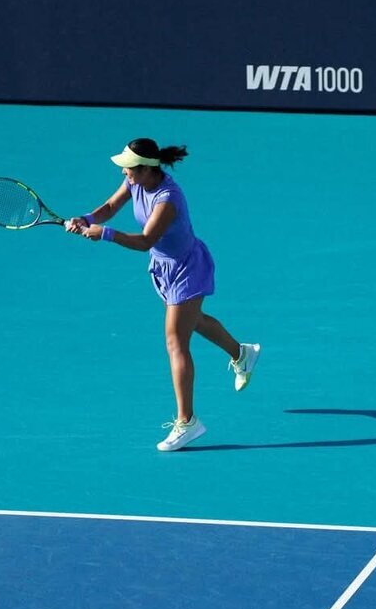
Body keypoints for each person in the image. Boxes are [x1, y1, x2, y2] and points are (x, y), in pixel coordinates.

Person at [66, 138, 260, 451]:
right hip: (163, 267)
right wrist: (87, 219)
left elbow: (146, 240)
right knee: (194, 321)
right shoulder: (134, 182)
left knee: (175, 339)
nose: (124, 172)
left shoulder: (168, 199)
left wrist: (105, 234)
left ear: (147, 169)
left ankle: (187, 421)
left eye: (129, 168)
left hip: (186, 268)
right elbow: (110, 207)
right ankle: (242, 354)